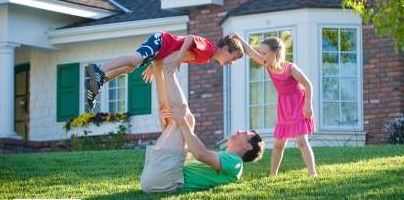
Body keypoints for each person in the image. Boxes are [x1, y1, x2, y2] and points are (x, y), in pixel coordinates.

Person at [140, 56, 265, 193]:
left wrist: (182, 121)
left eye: (245, 133)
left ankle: (167, 70)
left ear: (247, 146)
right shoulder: (223, 159)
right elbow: (184, 153)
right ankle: (159, 69)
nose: (240, 131)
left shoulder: (235, 162)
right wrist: (173, 123)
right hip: (156, 178)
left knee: (186, 119)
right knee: (174, 120)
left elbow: (200, 154)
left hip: (165, 180)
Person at [85, 31, 244, 109]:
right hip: (161, 41)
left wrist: (154, 64)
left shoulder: (206, 57)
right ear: (225, 48)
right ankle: (98, 70)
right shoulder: (209, 49)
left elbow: (173, 56)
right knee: (135, 60)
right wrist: (179, 56)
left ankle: (99, 81)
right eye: (234, 57)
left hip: (161, 50)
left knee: (130, 67)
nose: (233, 62)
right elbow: (189, 38)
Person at [232, 33, 317, 177]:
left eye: (264, 53)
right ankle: (273, 174)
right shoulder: (267, 65)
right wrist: (238, 38)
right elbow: (250, 52)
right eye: (261, 53)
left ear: (275, 53)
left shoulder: (290, 68)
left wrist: (308, 105)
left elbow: (308, 85)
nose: (261, 56)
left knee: (301, 141)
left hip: (297, 104)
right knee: (279, 144)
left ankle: (312, 172)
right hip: (283, 106)